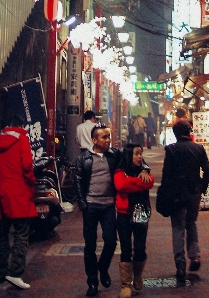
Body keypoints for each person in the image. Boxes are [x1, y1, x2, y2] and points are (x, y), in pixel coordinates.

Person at [160, 119, 209, 280]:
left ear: (175, 134)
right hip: (194, 192)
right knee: (191, 223)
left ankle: (180, 265)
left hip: (177, 193)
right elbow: (207, 171)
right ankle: (195, 256)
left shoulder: (172, 150)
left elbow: (166, 175)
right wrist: (202, 187)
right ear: (189, 132)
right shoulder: (198, 148)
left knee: (178, 227)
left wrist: (165, 193)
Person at [0, 115, 38, 290]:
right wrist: (31, 180)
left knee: (1, 235)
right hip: (18, 193)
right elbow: (27, 165)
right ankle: (15, 272)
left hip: (1, 194)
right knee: (21, 233)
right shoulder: (22, 139)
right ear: (19, 125)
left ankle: (1, 274)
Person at [75, 123, 121, 296]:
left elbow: (133, 159)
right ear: (94, 140)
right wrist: (82, 203)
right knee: (90, 245)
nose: (108, 140)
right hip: (91, 206)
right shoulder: (84, 157)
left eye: (109, 136)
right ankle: (92, 282)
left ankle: (103, 267)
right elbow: (78, 180)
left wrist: (145, 168)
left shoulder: (114, 155)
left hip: (109, 205)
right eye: (104, 137)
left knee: (111, 241)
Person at [114, 144, 154, 297]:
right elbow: (120, 185)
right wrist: (138, 183)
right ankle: (125, 284)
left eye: (141, 154)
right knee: (125, 248)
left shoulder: (145, 169)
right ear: (129, 155)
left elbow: (149, 182)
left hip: (141, 213)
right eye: (136, 154)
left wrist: (132, 182)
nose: (139, 157)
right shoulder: (120, 170)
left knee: (140, 247)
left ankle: (137, 275)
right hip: (124, 213)